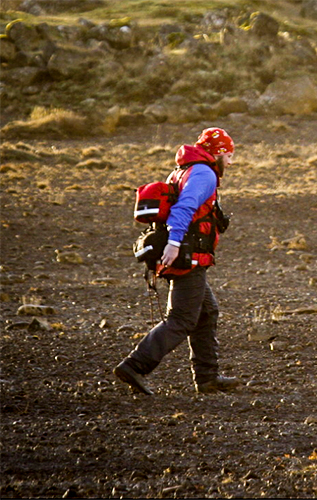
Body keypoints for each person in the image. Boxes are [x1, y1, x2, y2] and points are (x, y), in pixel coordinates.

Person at [114, 127, 239, 395]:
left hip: (185, 254)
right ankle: (134, 366)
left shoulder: (184, 169)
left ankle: (207, 378)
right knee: (181, 319)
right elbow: (184, 208)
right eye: (229, 155)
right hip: (186, 256)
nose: (231, 161)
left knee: (207, 311)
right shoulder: (204, 173)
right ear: (217, 153)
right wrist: (173, 244)